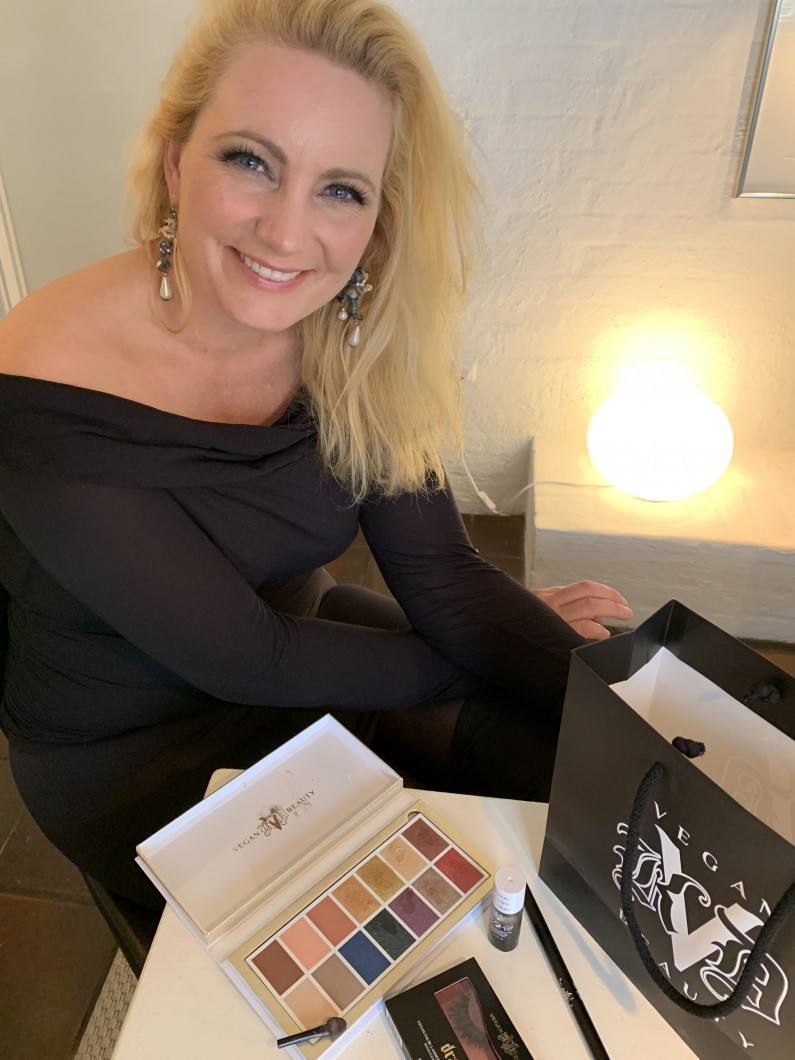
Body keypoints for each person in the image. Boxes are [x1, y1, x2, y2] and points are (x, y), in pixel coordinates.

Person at [0, 0, 631, 909]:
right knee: (392, 956)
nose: (288, 234)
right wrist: (497, 648)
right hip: (133, 752)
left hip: (314, 647)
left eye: (341, 189)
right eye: (250, 161)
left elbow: (442, 575)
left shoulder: (353, 329)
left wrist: (628, 714)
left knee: (597, 786)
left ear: (378, 216)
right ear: (176, 163)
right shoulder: (45, 370)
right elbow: (246, 657)